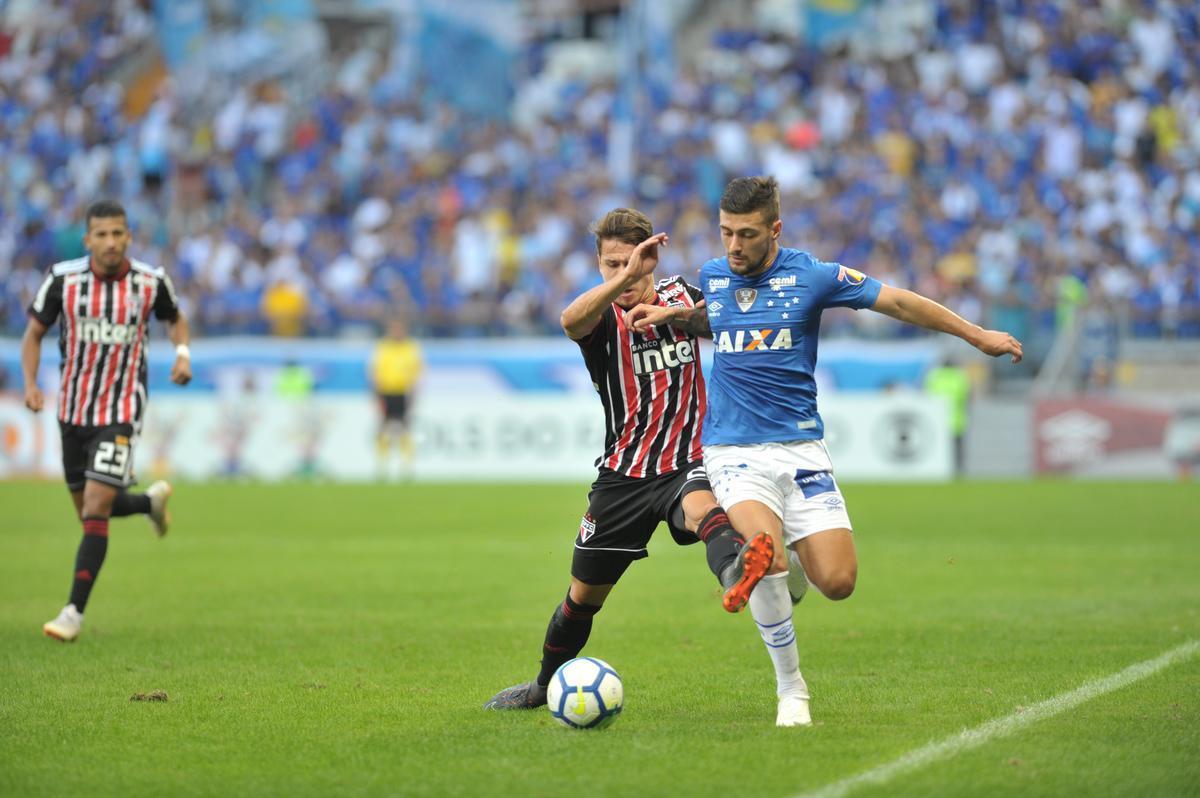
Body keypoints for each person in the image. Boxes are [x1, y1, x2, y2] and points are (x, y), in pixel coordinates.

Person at [629, 176, 1023, 726]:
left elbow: (901, 303)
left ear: (775, 229)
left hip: (803, 450)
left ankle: (785, 570)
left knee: (837, 584)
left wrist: (975, 334)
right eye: (725, 233)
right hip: (731, 449)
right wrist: (676, 317)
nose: (733, 246)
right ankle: (792, 689)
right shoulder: (713, 275)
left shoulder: (811, 275)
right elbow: (721, 318)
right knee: (759, 549)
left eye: (746, 234)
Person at [483, 208, 774, 710]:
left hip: (687, 459)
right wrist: (623, 276)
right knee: (581, 598)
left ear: (652, 258)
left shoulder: (683, 296)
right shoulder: (600, 317)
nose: (620, 274)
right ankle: (540, 687)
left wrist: (672, 314)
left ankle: (736, 573)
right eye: (610, 264)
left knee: (703, 508)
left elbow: (727, 324)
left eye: (630, 262)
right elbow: (569, 321)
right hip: (623, 475)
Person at [21, 199, 192, 643]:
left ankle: (72, 612)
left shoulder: (150, 283)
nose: (111, 242)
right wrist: (30, 384)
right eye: (102, 234)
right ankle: (149, 504)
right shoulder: (63, 280)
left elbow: (175, 319)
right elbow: (34, 333)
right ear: (88, 239)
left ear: (129, 236)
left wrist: (182, 352)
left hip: (120, 411)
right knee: (91, 511)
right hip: (72, 411)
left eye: (119, 233)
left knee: (96, 506)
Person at [368, 317, 422, 479]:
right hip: (386, 392)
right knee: (383, 429)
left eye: (400, 329)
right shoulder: (382, 347)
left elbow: (416, 372)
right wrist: (375, 394)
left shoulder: (411, 347)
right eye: (394, 329)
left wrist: (414, 393)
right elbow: (375, 372)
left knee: (405, 429)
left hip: (403, 392)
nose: (397, 332)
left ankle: (406, 466)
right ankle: (382, 465)